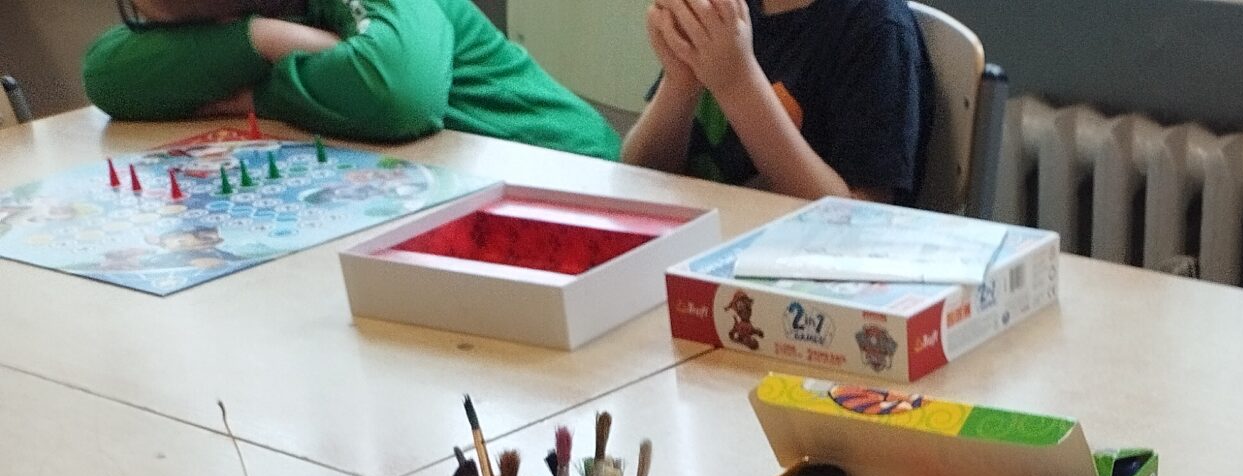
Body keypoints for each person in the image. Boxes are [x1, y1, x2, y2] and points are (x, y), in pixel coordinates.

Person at [83, 0, 621, 161]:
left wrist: (254, 97)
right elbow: (107, 74)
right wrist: (266, 38)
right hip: (455, 188)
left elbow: (397, 94)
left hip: (570, 171)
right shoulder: (257, 22)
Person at [622, 0, 932, 204]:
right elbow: (638, 176)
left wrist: (737, 84)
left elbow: (860, 225)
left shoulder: (878, 29)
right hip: (695, 250)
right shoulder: (727, 11)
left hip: (802, 275)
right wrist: (678, 83)